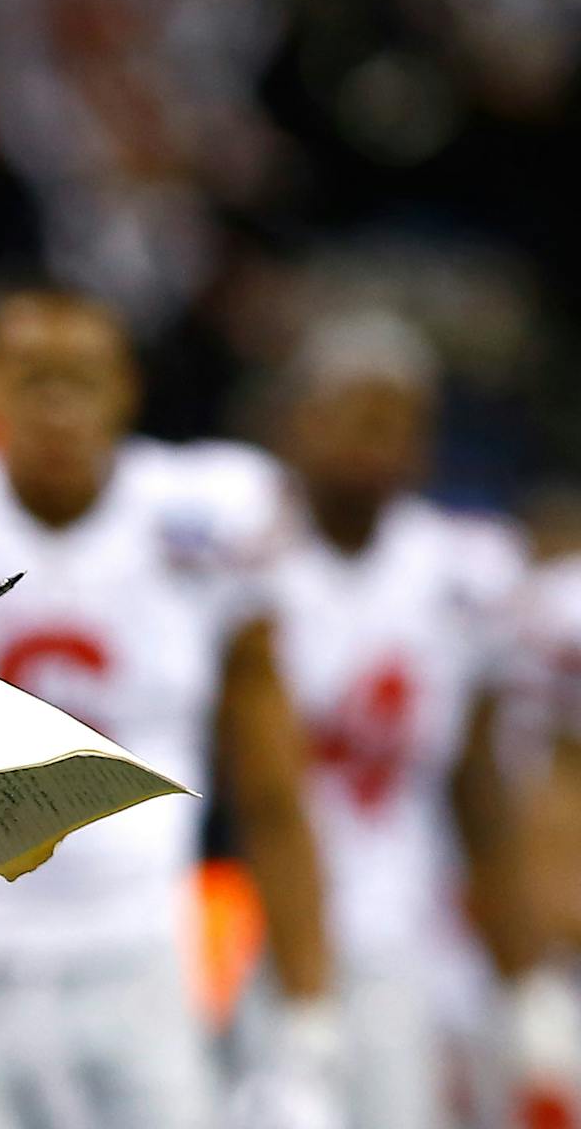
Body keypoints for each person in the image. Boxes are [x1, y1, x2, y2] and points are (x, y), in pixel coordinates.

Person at [0, 289, 337, 1129]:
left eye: (81, 380)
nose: (57, 408)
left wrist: (307, 1021)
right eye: (33, 378)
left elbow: (272, 788)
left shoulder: (201, 518)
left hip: (141, 955)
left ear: (127, 392)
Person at [262, 309, 578, 1128]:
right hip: (246, 927)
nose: (375, 443)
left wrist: (524, 978)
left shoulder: (460, 576)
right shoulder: (250, 556)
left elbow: (480, 795)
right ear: (303, 422)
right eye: (356, 416)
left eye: (396, 422)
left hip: (401, 936)